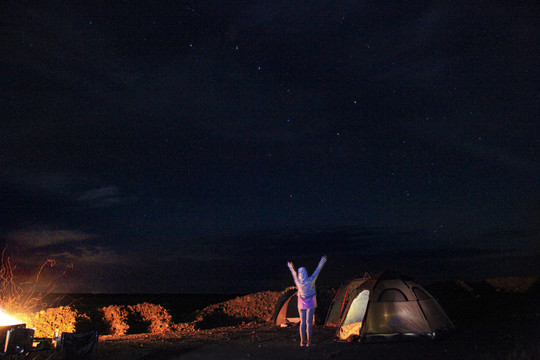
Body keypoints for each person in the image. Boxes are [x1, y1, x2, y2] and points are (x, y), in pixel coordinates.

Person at [287, 255, 327, 347]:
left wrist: (290, 266)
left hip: (301, 304)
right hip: (310, 303)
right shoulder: (311, 280)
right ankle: (309, 342)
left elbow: (293, 273)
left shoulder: (297, 282)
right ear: (306, 273)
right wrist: (323, 259)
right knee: (309, 323)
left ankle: (302, 342)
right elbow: (318, 269)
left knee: (302, 322)